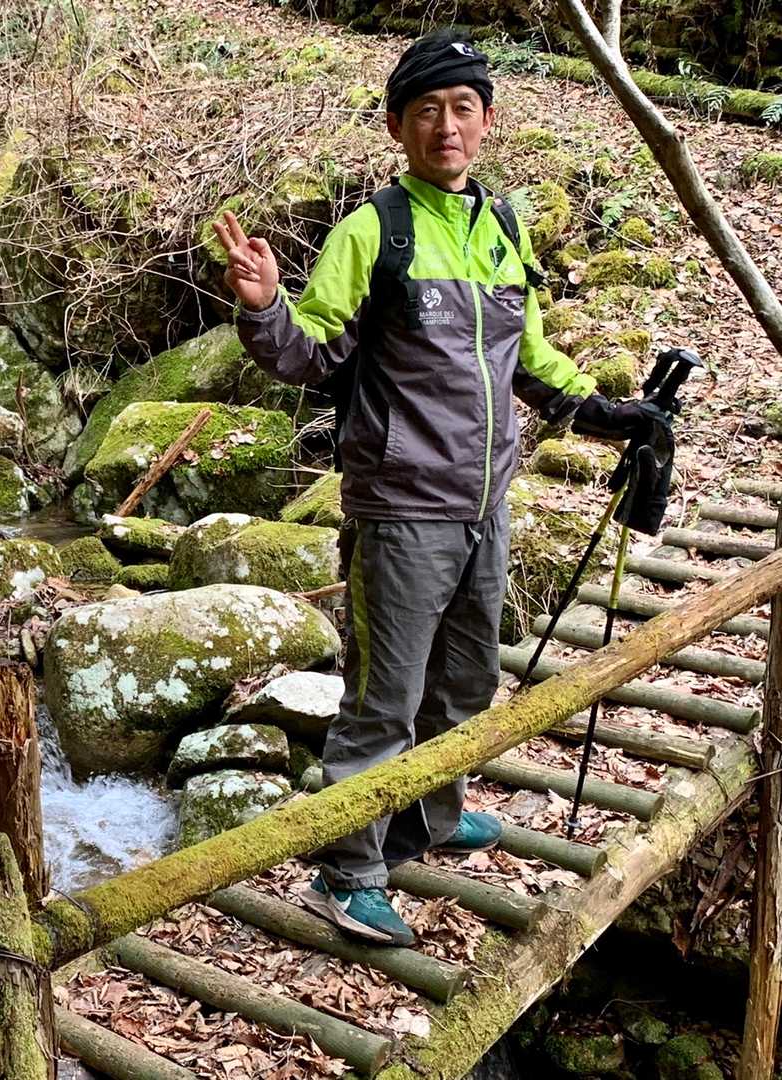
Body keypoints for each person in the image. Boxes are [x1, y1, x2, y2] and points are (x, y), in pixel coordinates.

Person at [212, 29, 653, 947]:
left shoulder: (502, 226)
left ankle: (429, 817)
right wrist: (264, 306)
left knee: (463, 684)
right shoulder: (373, 230)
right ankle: (346, 871)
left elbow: (528, 357)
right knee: (384, 698)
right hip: (400, 504)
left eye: (461, 108)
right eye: (425, 111)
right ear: (396, 126)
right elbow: (311, 351)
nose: (445, 127)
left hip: (484, 500)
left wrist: (604, 411)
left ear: (485, 120)